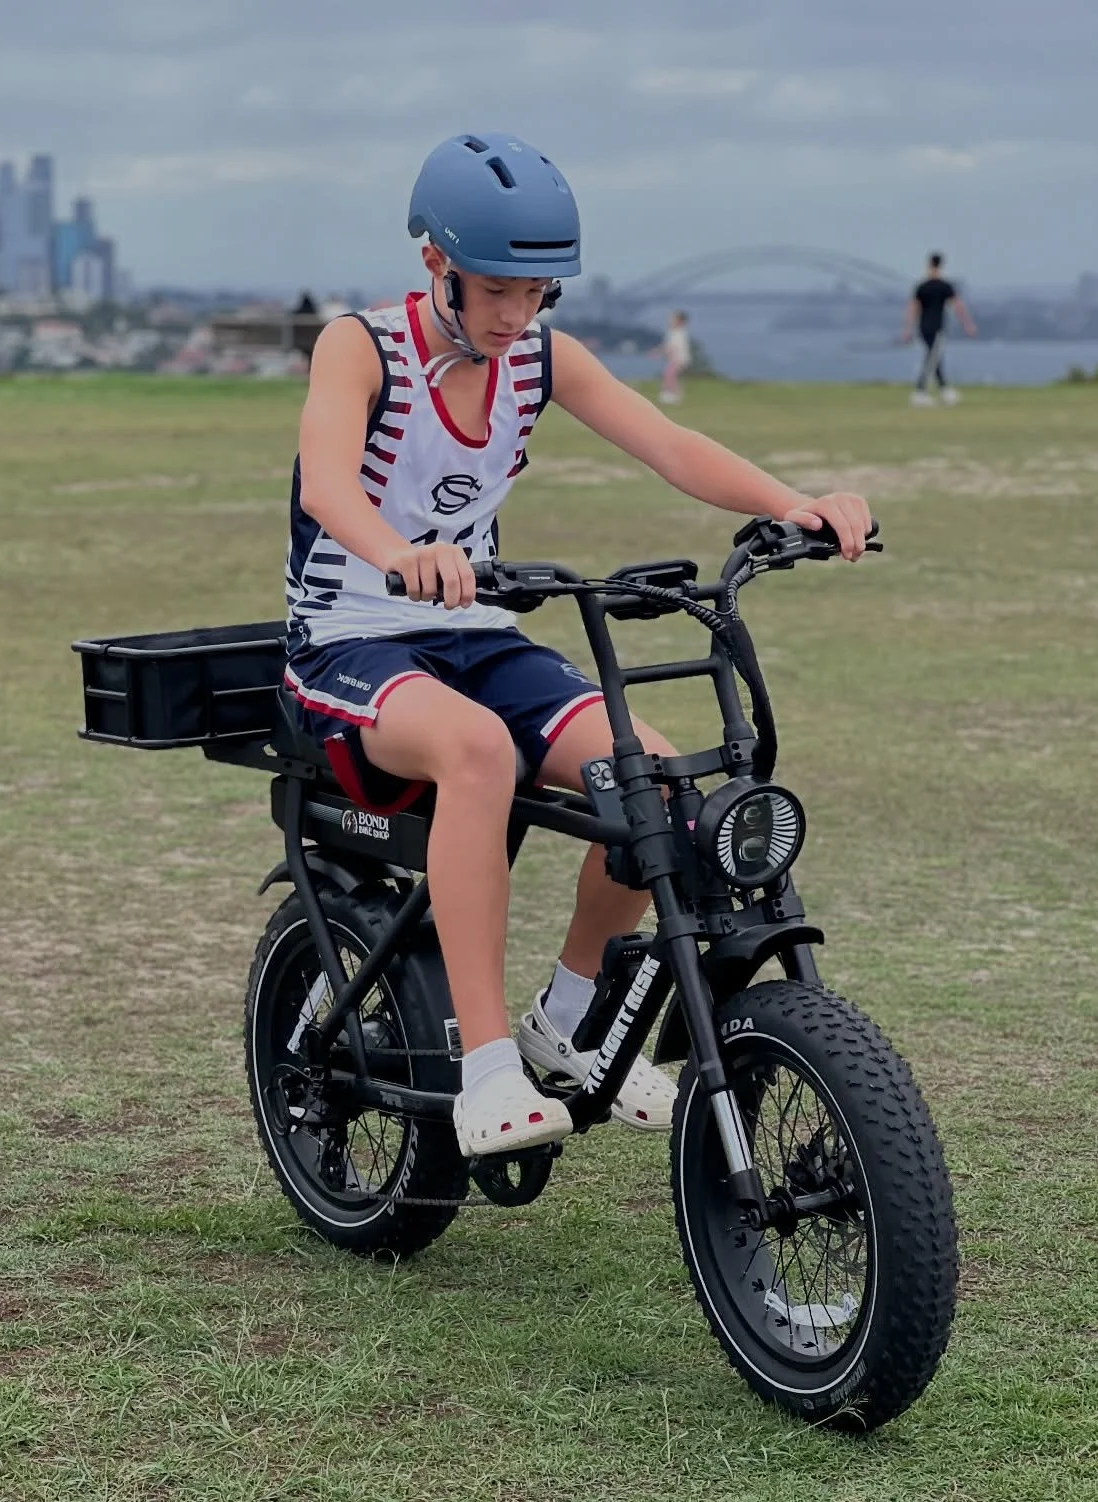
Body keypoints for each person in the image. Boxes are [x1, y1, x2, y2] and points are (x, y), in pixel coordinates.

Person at [285, 132, 872, 1159]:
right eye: (499, 289)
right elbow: (328, 480)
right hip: (349, 638)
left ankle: (565, 1016)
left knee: (645, 772)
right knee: (477, 751)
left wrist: (795, 503)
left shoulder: (541, 359)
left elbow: (670, 443)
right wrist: (399, 552)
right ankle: (486, 1069)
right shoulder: (360, 346)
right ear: (437, 262)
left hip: (474, 629)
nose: (519, 315)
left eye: (540, 292)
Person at [901, 252, 977, 407]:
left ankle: (944, 390)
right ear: (941, 266)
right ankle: (920, 392)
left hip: (923, 328)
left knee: (934, 358)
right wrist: (968, 324)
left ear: (929, 265)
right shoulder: (945, 286)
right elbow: (958, 306)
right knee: (931, 359)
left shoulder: (921, 287)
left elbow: (912, 308)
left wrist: (908, 329)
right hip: (937, 328)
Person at [647, 310, 692, 405]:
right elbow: (668, 346)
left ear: (680, 321)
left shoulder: (679, 333)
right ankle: (673, 395)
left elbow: (673, 348)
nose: (670, 321)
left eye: (673, 319)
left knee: (669, 375)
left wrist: (659, 352)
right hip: (675, 359)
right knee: (671, 376)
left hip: (678, 360)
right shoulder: (674, 332)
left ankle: (671, 395)